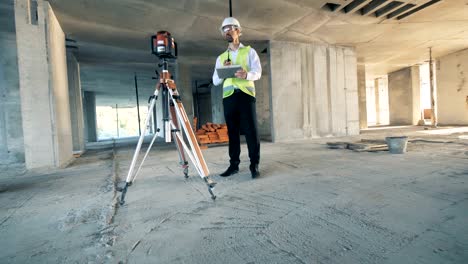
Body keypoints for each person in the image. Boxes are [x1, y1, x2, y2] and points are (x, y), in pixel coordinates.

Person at [212, 17, 262, 179]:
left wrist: (247, 74)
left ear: (238, 31)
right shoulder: (221, 58)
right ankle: (234, 165)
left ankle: (254, 164)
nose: (228, 31)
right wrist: (223, 72)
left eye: (231, 28)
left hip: (246, 96)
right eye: (225, 29)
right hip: (229, 97)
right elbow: (215, 81)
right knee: (232, 132)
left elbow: (258, 72)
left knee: (251, 131)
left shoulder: (249, 51)